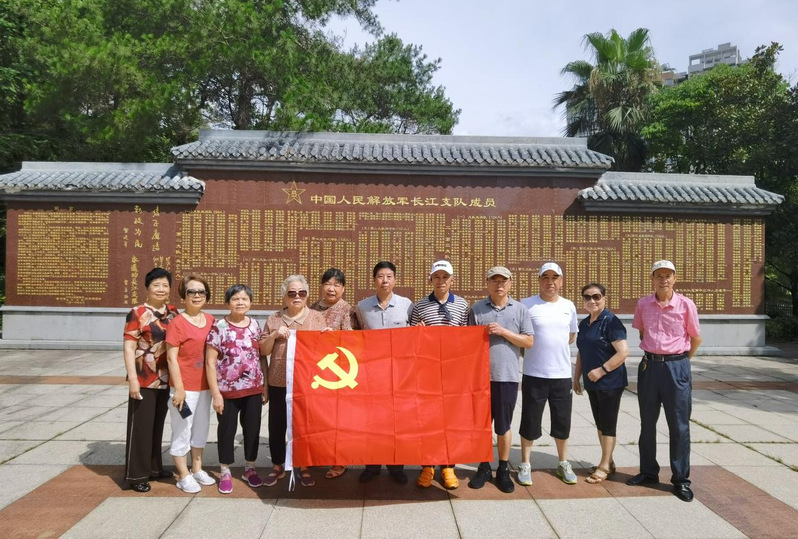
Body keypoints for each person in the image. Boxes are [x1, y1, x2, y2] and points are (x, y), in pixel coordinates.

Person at [627, 260, 702, 502]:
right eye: (658, 275)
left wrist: (680, 361)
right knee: (647, 423)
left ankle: (680, 479)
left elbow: (696, 338)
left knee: (679, 425)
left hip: (676, 367)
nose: (663, 280)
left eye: (668, 275)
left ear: (675, 278)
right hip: (650, 367)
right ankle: (648, 471)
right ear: (652, 279)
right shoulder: (643, 304)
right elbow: (642, 332)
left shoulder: (686, 305)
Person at [467, 266, 533, 493]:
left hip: (506, 377)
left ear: (510, 283)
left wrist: (504, 332)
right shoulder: (477, 309)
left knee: (503, 426)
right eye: (494, 280)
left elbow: (528, 342)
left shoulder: (520, 309)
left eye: (503, 280)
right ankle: (484, 466)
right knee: (483, 425)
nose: (499, 285)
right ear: (487, 283)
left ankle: (503, 469)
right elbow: (467, 342)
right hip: (481, 378)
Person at [261, 275, 329, 488]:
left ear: (307, 295)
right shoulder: (274, 318)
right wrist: (273, 335)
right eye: (292, 293)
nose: (297, 297)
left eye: (301, 293)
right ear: (284, 296)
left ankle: (303, 465)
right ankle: (278, 465)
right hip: (279, 381)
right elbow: (263, 350)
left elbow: (325, 351)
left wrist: (328, 337)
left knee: (305, 425)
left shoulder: (317, 318)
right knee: (277, 424)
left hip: (307, 382)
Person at [409, 260, 471, 490]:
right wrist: (418, 333)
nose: (441, 281)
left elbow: (467, 338)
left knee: (450, 420)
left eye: (445, 277)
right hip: (427, 371)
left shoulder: (462, 305)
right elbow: (411, 339)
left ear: (452, 280)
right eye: (437, 277)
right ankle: (427, 465)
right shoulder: (420, 306)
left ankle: (448, 465)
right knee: (427, 419)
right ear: (431, 279)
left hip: (453, 372)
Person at [518, 262, 579, 486]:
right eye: (545, 277)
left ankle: (563, 462)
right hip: (534, 374)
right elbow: (522, 339)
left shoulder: (568, 306)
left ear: (561, 281)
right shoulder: (526, 304)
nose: (550, 282)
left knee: (562, 421)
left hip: (561, 375)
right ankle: (525, 463)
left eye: (555, 278)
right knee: (530, 420)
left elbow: (570, 336)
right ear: (539, 281)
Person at [206, 284, 268, 494]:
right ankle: (225, 470)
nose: (240, 302)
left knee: (252, 429)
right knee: (227, 430)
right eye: (235, 299)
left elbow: (261, 357)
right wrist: (216, 394)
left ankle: (250, 467)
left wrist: (265, 385)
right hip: (227, 390)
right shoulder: (219, 326)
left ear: (250, 303)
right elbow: (210, 362)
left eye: (244, 299)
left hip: (253, 389)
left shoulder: (255, 325)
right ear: (228, 302)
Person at [355, 261, 414, 485]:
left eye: (389, 276)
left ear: (395, 280)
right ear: (374, 280)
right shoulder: (362, 307)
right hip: (372, 374)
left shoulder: (407, 305)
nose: (385, 280)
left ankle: (396, 466)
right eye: (380, 276)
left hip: (399, 375)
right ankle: (372, 465)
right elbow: (355, 337)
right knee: (372, 422)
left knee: (396, 422)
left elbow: (413, 335)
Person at [122, 267, 180, 493]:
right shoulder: (137, 312)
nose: (161, 289)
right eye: (156, 285)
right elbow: (129, 347)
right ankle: (136, 475)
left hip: (166, 377)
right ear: (147, 288)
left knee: (157, 425)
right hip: (145, 377)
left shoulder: (172, 312)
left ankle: (155, 468)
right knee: (141, 427)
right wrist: (133, 379)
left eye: (165, 285)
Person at [573, 283, 629, 484]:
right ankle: (609, 461)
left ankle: (604, 465)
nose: (592, 301)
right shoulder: (585, 324)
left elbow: (623, 352)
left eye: (596, 296)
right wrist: (576, 377)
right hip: (592, 383)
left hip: (610, 382)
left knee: (608, 425)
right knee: (600, 423)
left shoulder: (611, 321)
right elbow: (582, 352)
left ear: (604, 298)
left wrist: (602, 370)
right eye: (587, 297)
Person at [165, 274, 216, 493]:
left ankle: (196, 468)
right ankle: (183, 474)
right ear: (183, 296)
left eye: (201, 291)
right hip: (185, 388)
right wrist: (179, 388)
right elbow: (171, 358)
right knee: (182, 430)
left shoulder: (211, 320)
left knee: (201, 428)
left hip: (205, 386)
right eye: (191, 291)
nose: (196, 295)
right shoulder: (177, 323)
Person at [310, 267, 355, 479]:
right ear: (321, 286)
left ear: (343, 288)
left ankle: (339, 460)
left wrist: (333, 337)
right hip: (315, 371)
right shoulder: (312, 308)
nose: (331, 288)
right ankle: (317, 455)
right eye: (328, 283)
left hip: (338, 374)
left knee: (338, 420)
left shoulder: (347, 309)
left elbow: (352, 339)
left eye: (337, 284)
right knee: (317, 417)